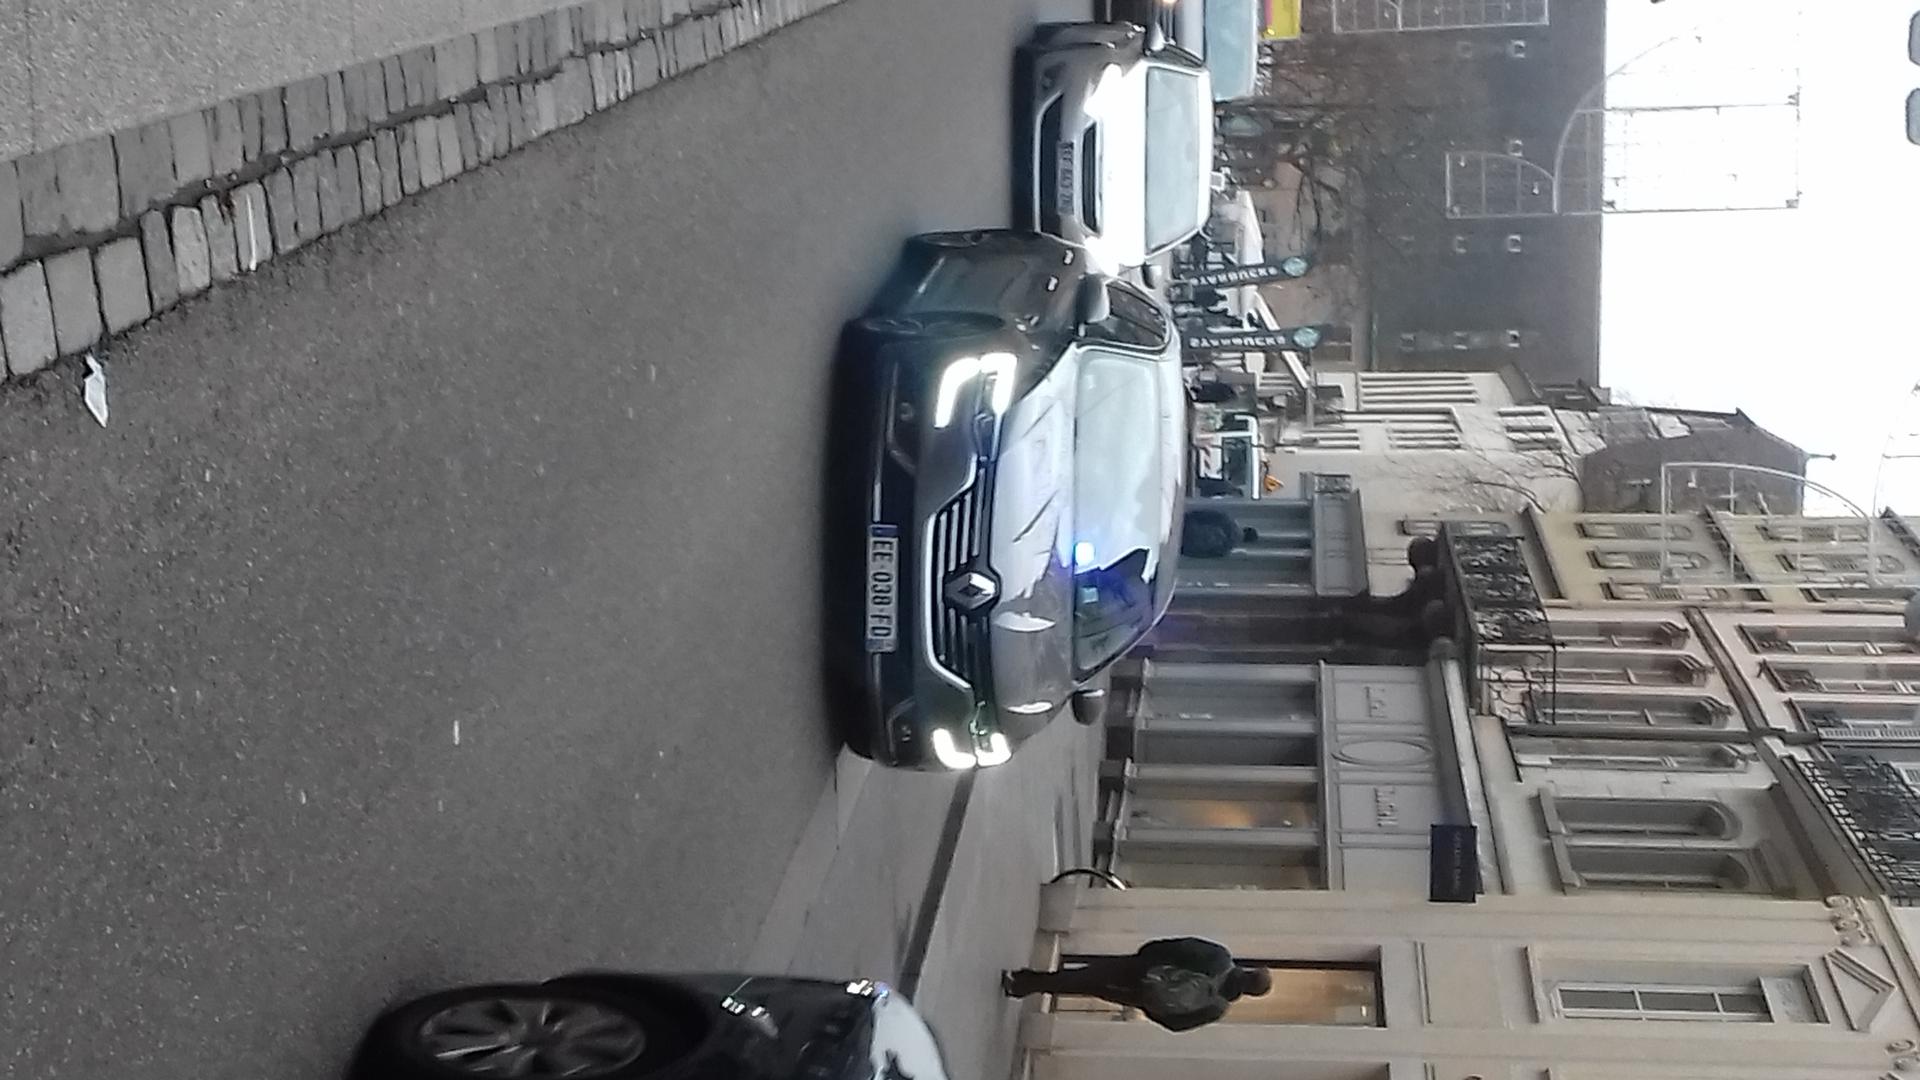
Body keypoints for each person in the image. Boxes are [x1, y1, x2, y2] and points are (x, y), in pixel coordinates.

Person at [1002, 937, 1273, 1033]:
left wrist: (1148, 955)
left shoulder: (1220, 958)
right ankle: (1029, 981)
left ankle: (1027, 982)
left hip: (1145, 969)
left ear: (1248, 971)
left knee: (1090, 975)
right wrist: (1151, 1007)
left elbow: (1181, 946)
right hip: (1144, 996)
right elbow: (1177, 1025)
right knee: (1091, 986)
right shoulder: (1217, 1008)